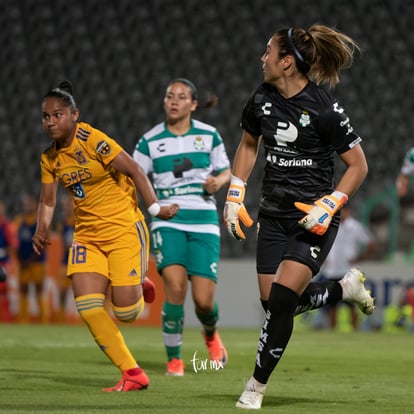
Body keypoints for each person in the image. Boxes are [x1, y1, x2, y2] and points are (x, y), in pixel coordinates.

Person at [223, 25, 375, 409]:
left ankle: (255, 386)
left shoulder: (324, 108)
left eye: (268, 52)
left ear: (286, 62)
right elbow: (248, 143)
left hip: (313, 220)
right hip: (272, 215)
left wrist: (332, 202)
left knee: (280, 302)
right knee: (273, 304)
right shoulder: (261, 99)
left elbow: (358, 165)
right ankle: (343, 290)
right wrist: (236, 190)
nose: (262, 58)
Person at [32, 81, 178, 392]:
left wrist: (155, 209)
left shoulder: (93, 140)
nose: (50, 122)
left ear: (75, 115)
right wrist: (41, 229)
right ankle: (132, 373)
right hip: (87, 236)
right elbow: (47, 200)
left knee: (126, 313)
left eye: (57, 115)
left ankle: (138, 282)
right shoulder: (50, 159)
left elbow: (137, 170)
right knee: (87, 307)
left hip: (124, 229)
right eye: (46, 116)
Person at [133, 78, 231, 376]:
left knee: (203, 300)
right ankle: (174, 360)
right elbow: (134, 175)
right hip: (168, 220)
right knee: (175, 288)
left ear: (193, 104)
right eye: (169, 96)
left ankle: (211, 335)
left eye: (181, 96)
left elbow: (227, 170)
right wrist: (152, 207)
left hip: (204, 220)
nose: (174, 101)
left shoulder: (209, 135)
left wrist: (218, 181)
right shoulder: (149, 141)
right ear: (164, 102)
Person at [316, 205, 376, 330]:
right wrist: (323, 258)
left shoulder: (355, 227)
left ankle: (354, 330)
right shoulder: (329, 225)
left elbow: (370, 243)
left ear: (348, 212)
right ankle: (332, 330)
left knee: (351, 303)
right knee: (332, 304)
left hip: (348, 271)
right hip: (331, 271)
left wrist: (360, 258)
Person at [15, 193, 47, 323]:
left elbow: (44, 243)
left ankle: (44, 320)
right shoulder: (19, 221)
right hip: (23, 262)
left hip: (37, 261)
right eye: (27, 203)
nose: (28, 205)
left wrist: (29, 261)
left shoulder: (40, 221)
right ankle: (23, 319)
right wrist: (20, 260)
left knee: (39, 289)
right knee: (23, 289)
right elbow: (15, 242)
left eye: (31, 203)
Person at [54, 193, 75, 322]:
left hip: (80, 262)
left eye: (69, 204)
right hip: (65, 261)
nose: (67, 207)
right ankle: (61, 320)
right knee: (62, 292)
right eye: (66, 205)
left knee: (85, 292)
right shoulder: (61, 224)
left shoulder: (80, 221)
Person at [0, 200, 19, 322]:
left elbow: (13, 246)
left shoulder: (7, 226)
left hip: (3, 264)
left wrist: (2, 252)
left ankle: (5, 319)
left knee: (3, 292)